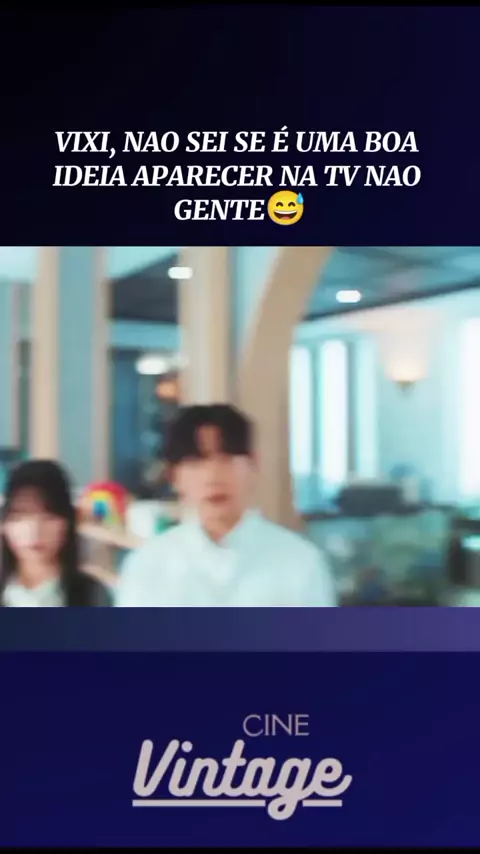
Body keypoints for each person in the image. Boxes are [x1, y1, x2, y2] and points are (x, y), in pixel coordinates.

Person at [116, 404, 336, 607]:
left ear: (254, 465)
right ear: (174, 476)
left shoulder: (301, 562)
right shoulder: (147, 566)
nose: (214, 475)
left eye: (228, 458)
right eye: (197, 462)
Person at [0, 459, 112, 607]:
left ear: (67, 522)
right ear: (5, 523)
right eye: (21, 516)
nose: (35, 531)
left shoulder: (93, 595)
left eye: (48, 517)